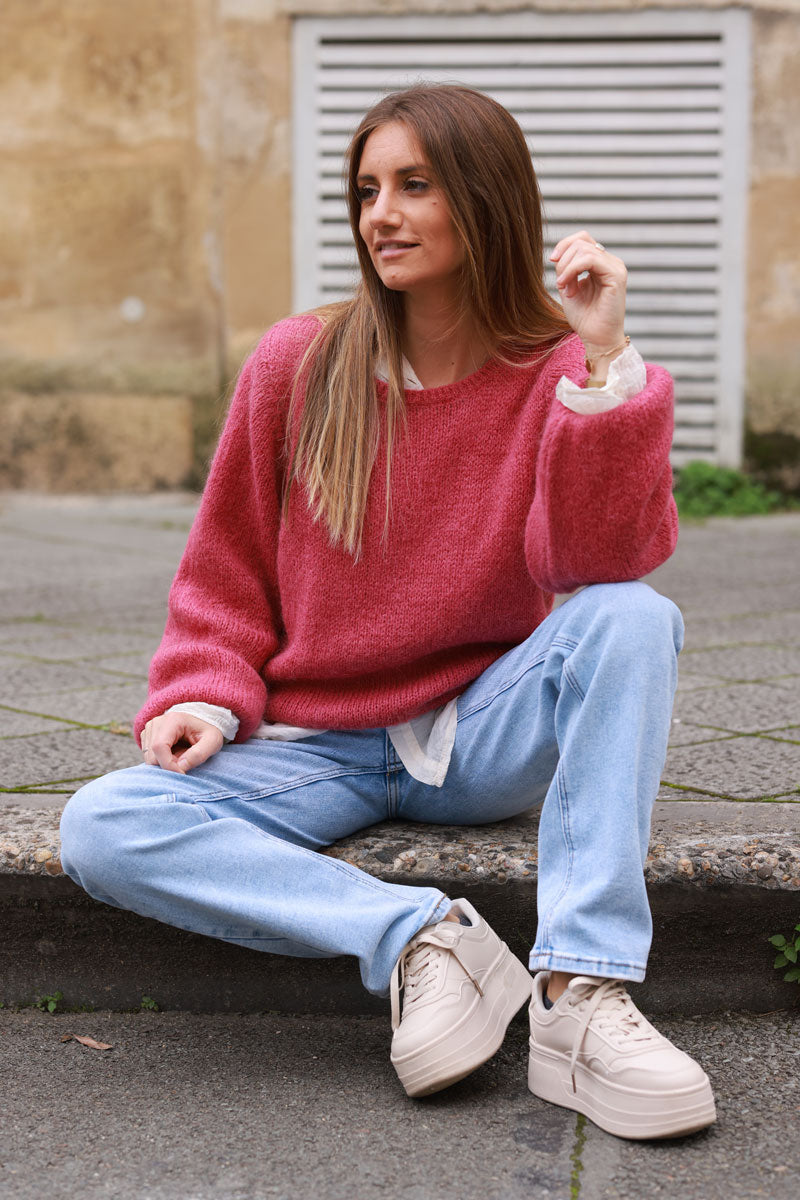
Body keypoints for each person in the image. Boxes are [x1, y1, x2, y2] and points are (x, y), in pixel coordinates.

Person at [59, 84, 716, 1140]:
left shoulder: (552, 371)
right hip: (316, 744)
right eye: (366, 189)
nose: (382, 214)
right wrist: (204, 694)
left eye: (414, 185)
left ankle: (579, 995)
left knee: (631, 616)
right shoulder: (300, 362)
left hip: (475, 735)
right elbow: (226, 566)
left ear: (485, 199)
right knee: (103, 822)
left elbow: (592, 562)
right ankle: (423, 942)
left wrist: (600, 365)